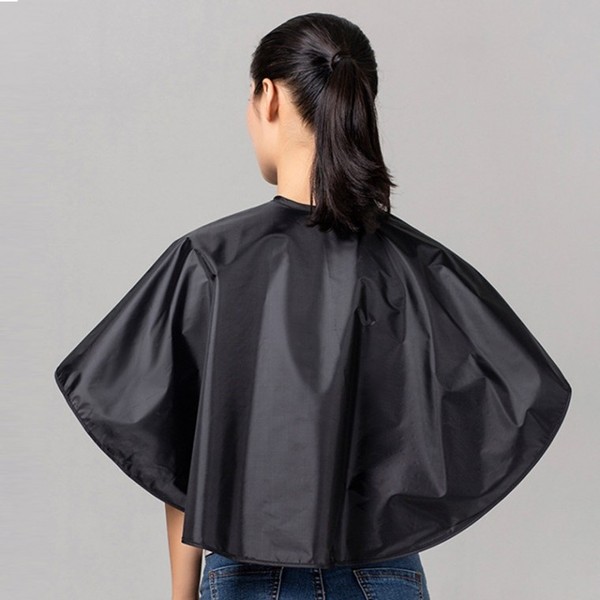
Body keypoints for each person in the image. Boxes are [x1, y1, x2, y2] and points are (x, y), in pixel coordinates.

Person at [54, 12, 571, 600]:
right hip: (385, 575)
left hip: (250, 576)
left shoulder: (211, 261)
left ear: (268, 97)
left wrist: (182, 593)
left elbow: (172, 453)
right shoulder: (417, 266)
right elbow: (515, 393)